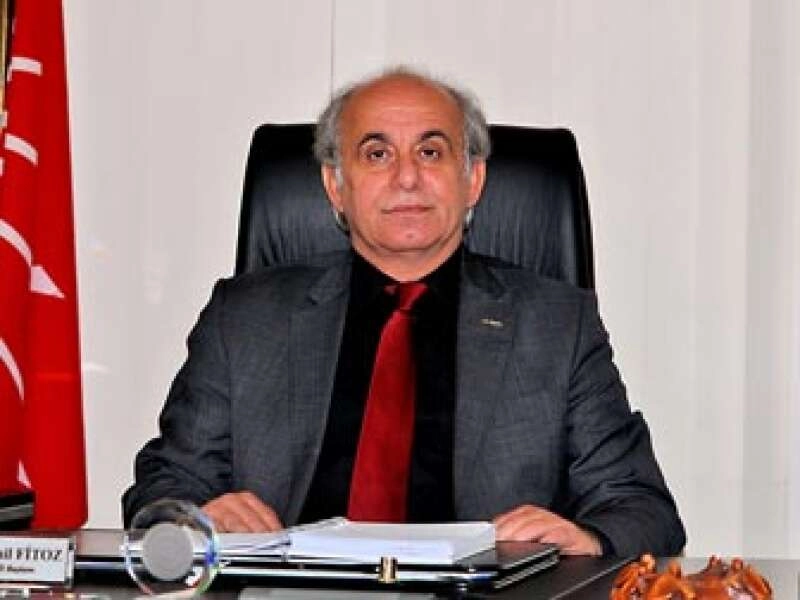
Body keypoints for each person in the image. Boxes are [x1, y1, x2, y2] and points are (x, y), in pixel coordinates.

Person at [123, 68, 686, 557]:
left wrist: (586, 537)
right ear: (335, 187)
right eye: (377, 154)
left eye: (431, 151)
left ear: (473, 180)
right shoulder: (244, 318)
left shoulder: (557, 325)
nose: (407, 177)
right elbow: (163, 485)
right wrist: (198, 516)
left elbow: (642, 509)